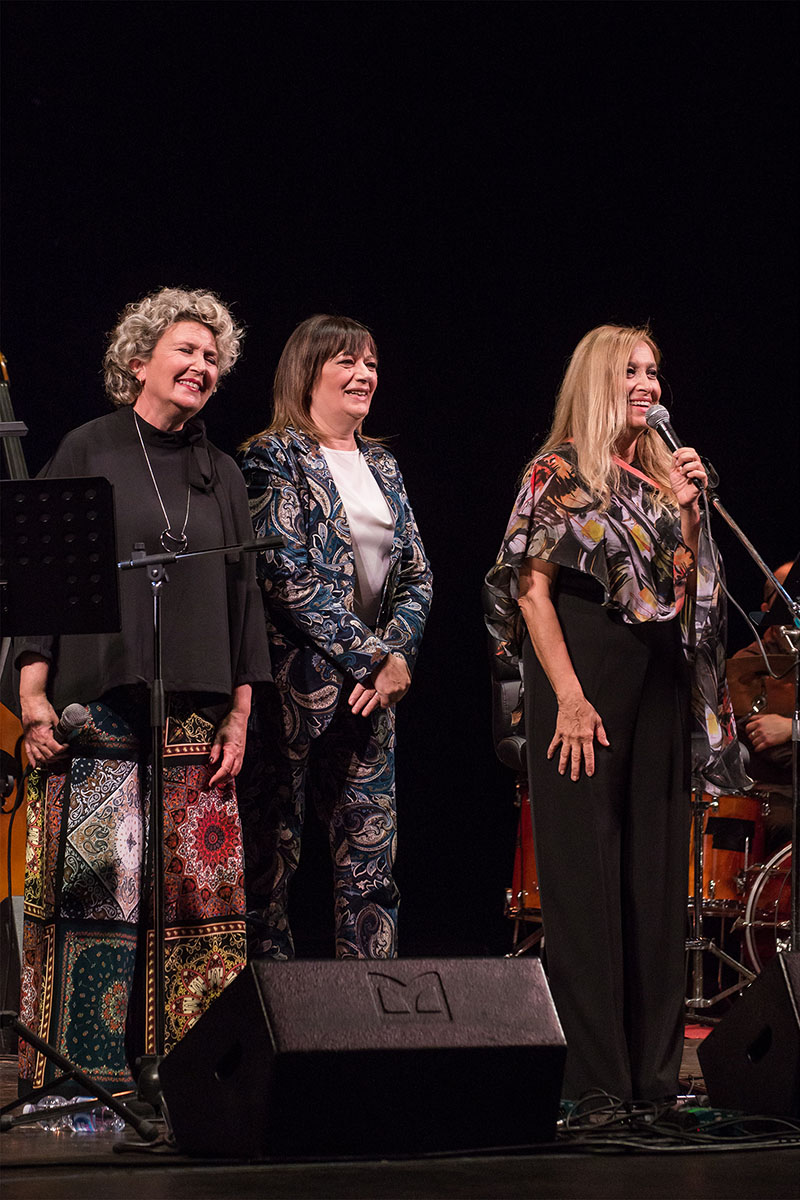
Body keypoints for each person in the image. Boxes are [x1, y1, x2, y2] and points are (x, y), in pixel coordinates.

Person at [14, 287, 271, 1094]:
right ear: (138, 361)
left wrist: (239, 716)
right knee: (91, 906)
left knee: (201, 916)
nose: (202, 366)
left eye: (212, 358)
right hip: (97, 713)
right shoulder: (87, 446)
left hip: (195, 720)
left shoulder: (221, 471)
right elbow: (37, 583)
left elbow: (245, 601)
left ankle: (200, 1090)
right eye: (186, 351)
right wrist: (31, 699)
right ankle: (80, 1089)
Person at [485, 324, 747, 1106]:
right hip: (585, 678)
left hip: (660, 679)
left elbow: (680, 591)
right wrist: (565, 696)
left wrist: (691, 517)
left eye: (655, 372)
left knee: (659, 882)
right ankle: (597, 1084)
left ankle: (653, 1082)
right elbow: (529, 589)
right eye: (632, 371)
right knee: (587, 882)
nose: (649, 385)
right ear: (600, 378)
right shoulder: (557, 470)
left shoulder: (663, 476)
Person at [238, 315, 432, 960]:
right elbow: (287, 577)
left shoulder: (382, 462)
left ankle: (374, 1024)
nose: (364, 374)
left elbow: (416, 574)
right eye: (347, 361)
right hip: (292, 692)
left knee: (372, 869)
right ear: (307, 373)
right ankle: (266, 1026)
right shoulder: (272, 455)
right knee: (270, 865)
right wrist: (373, 658)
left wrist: (396, 659)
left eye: (371, 362)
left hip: (373, 695)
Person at [727, 561, 796, 853]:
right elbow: (774, 748)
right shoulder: (748, 665)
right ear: (767, 609)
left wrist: (792, 728)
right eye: (790, 602)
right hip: (777, 800)